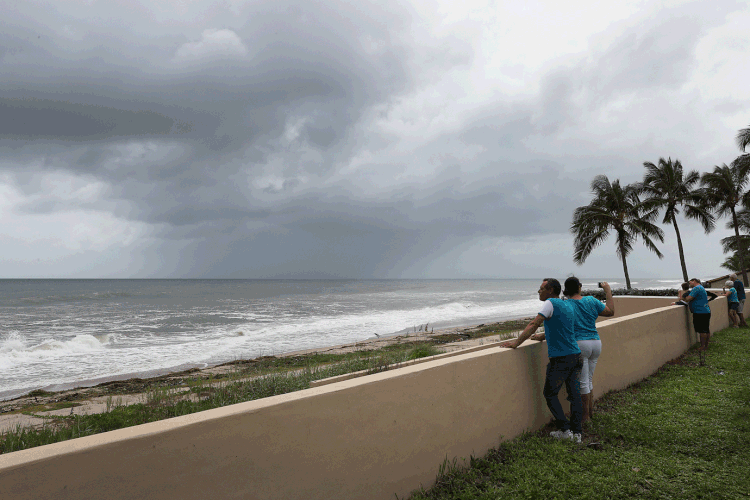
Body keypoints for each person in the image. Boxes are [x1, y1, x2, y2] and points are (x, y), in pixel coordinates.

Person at [499, 278, 583, 443]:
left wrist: (516, 342)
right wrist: (543, 336)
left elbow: (533, 324)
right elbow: (565, 328)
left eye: (541, 289)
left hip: (561, 358)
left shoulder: (550, 303)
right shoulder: (568, 305)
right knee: (575, 395)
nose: (539, 292)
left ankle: (565, 430)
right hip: (576, 355)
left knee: (550, 393)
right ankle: (577, 433)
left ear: (550, 290)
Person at [556, 277, 615, 423]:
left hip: (580, 344)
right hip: (595, 342)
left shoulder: (566, 304)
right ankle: (590, 412)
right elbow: (610, 312)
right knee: (588, 380)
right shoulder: (591, 300)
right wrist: (608, 291)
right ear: (580, 287)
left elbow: (561, 327)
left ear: (566, 289)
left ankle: (585, 417)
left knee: (582, 382)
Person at [681, 278, 712, 366]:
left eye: (690, 282)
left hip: (700, 312)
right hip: (705, 311)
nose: (689, 284)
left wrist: (685, 298)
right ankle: (706, 345)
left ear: (694, 281)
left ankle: (702, 347)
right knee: (706, 329)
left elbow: (689, 298)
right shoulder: (701, 288)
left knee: (702, 330)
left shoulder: (696, 288)